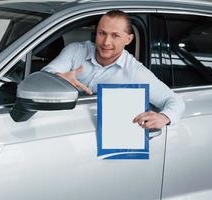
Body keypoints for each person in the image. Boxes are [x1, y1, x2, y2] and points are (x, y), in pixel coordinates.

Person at [42, 10, 185, 129]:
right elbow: (41, 78)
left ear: (128, 39)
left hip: (102, 140)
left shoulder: (135, 72)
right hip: (58, 124)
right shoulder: (75, 51)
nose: (106, 42)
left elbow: (175, 101)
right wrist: (58, 79)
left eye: (115, 35)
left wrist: (164, 117)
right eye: (102, 33)